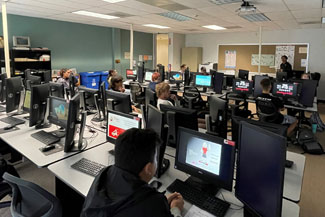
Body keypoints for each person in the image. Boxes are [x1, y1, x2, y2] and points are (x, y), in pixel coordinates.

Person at [81, 128, 184, 217]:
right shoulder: (152, 203)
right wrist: (175, 208)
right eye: (156, 159)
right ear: (148, 168)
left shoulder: (105, 173)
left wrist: (160, 202)